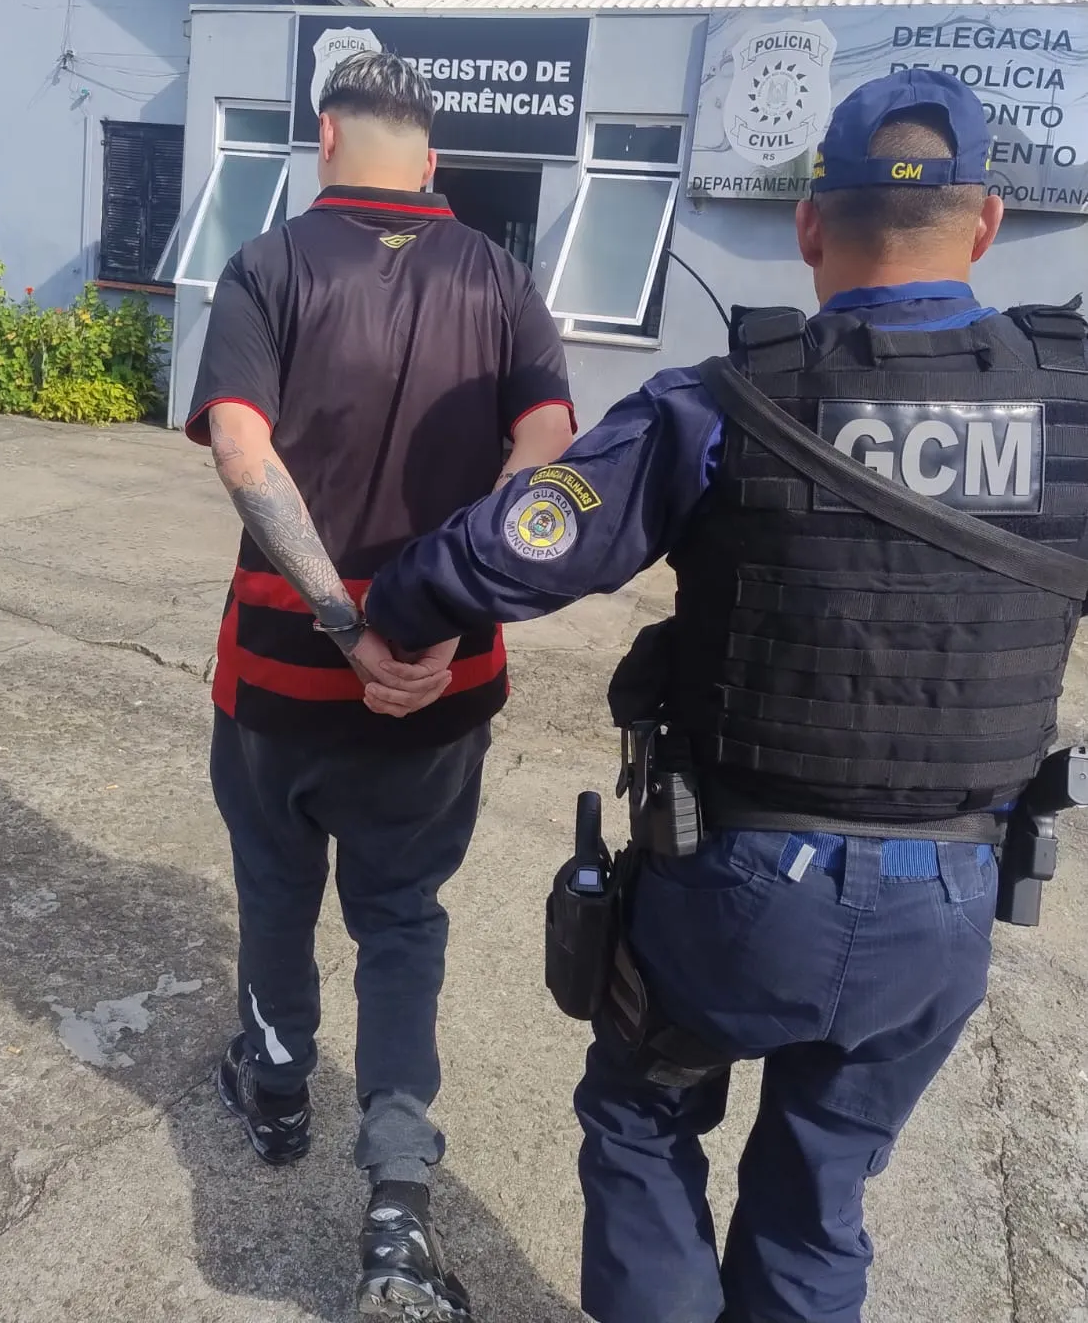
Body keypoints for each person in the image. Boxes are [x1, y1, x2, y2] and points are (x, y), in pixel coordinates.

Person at [365, 69, 1088, 1322]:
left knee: (641, 1118)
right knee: (819, 1193)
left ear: (808, 224)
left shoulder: (721, 400)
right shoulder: (1070, 411)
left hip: (738, 892)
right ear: (985, 225)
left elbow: (522, 544)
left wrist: (400, 616)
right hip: (949, 900)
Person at [185, 50, 573, 1320]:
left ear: (324, 138)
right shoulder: (500, 277)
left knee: (274, 889)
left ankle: (277, 1090)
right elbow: (549, 446)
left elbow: (240, 446)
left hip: (279, 673)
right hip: (446, 682)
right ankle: (399, 1210)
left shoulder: (268, 265)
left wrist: (346, 624)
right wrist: (443, 610)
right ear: (433, 157)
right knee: (403, 921)